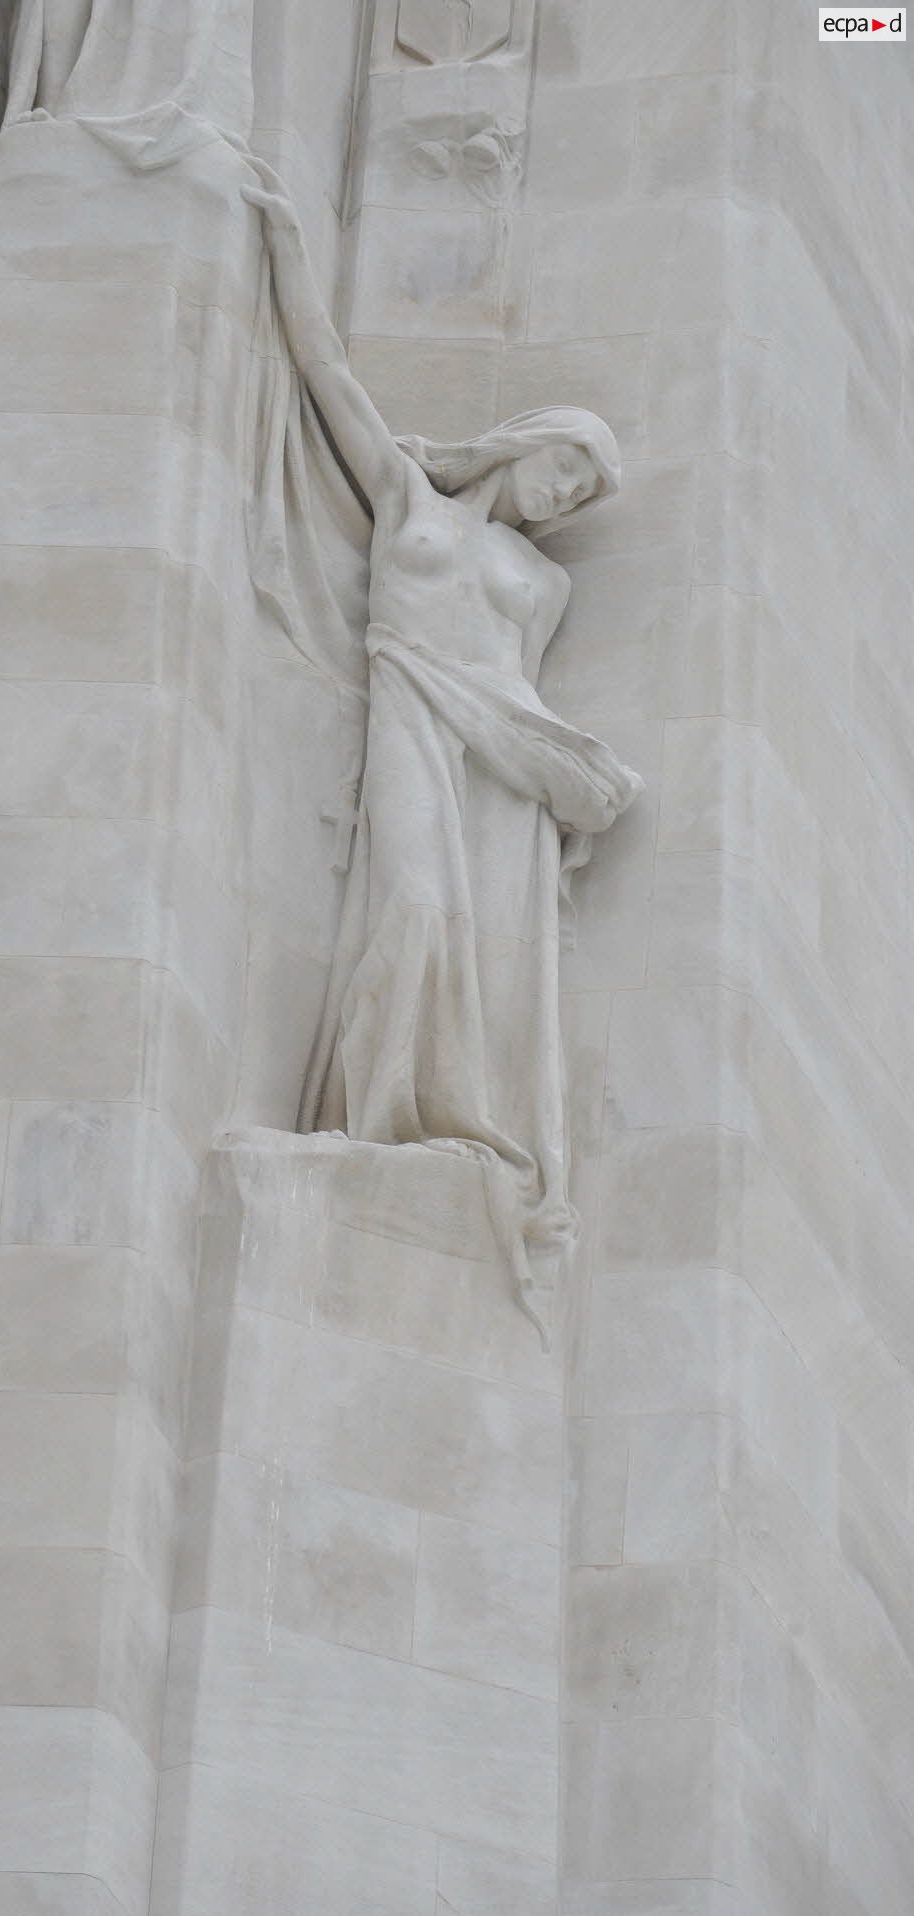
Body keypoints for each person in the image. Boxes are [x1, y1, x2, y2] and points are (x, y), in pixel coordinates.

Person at [242, 162, 642, 1341]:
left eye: (581, 490)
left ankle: (461, 1119)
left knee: (489, 956)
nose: (564, 494)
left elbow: (515, 694)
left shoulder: (543, 579)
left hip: (495, 768)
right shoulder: (409, 500)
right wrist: (282, 245)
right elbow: (324, 373)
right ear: (522, 446)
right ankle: (373, 1115)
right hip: (407, 720)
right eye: (564, 466)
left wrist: (561, 768)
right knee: (409, 911)